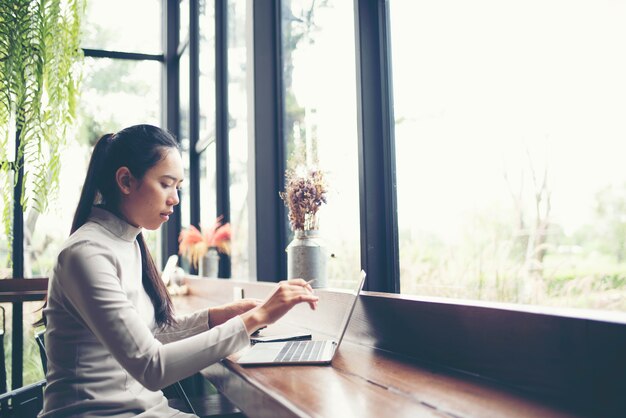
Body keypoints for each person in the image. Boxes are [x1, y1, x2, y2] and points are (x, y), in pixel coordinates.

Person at [39, 124, 319, 417]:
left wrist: (215, 318)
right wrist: (254, 318)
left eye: (178, 187)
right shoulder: (87, 254)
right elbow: (152, 367)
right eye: (165, 184)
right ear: (125, 181)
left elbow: (150, 335)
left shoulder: (126, 242)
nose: (175, 198)